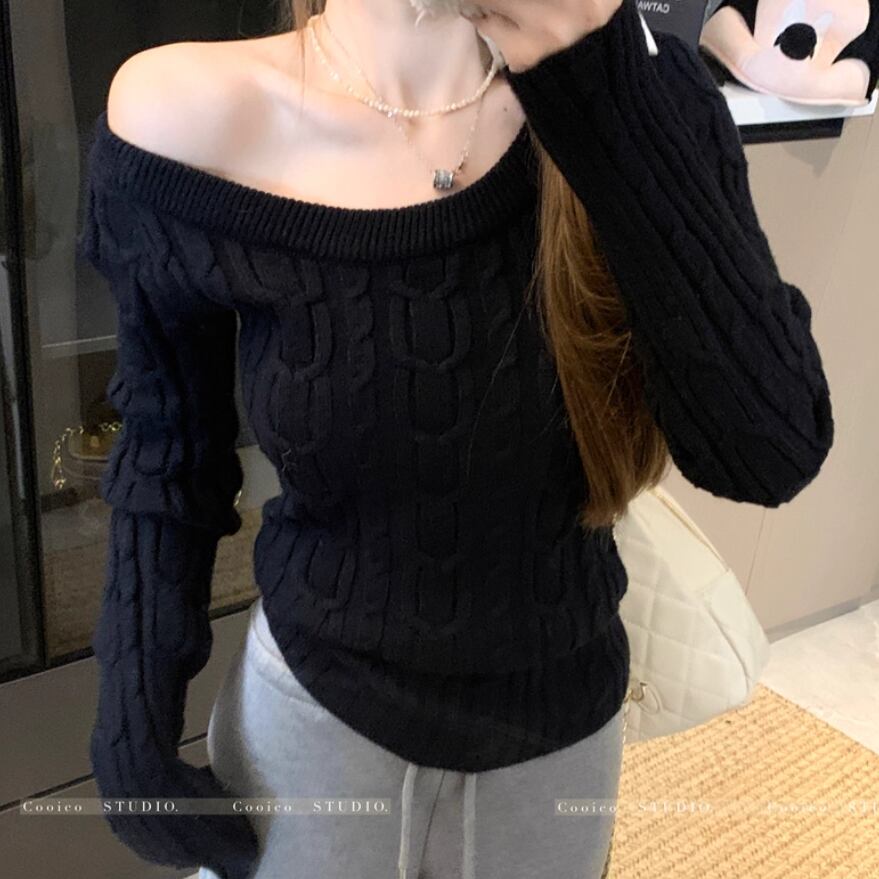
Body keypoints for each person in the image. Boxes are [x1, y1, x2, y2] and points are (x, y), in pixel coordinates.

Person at [77, 0, 834, 877]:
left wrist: (597, 84)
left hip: (561, 737)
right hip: (315, 720)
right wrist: (133, 723)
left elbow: (766, 450)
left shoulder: (643, 95)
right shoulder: (187, 115)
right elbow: (168, 443)